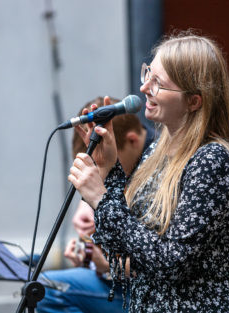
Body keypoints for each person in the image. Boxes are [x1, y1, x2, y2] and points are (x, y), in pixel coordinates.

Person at [68, 32, 229, 312]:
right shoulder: (156, 152)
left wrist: (101, 198)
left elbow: (171, 263)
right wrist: (109, 170)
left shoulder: (212, 160)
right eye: (148, 74)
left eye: (158, 83)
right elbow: (126, 251)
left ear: (194, 101)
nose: (144, 89)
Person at [36, 97, 154, 313]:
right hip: (120, 281)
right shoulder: (129, 160)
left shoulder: (155, 173)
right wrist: (89, 252)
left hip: (147, 291)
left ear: (133, 140)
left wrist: (108, 265)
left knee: (47, 290)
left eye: (106, 163)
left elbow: (158, 260)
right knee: (41, 287)